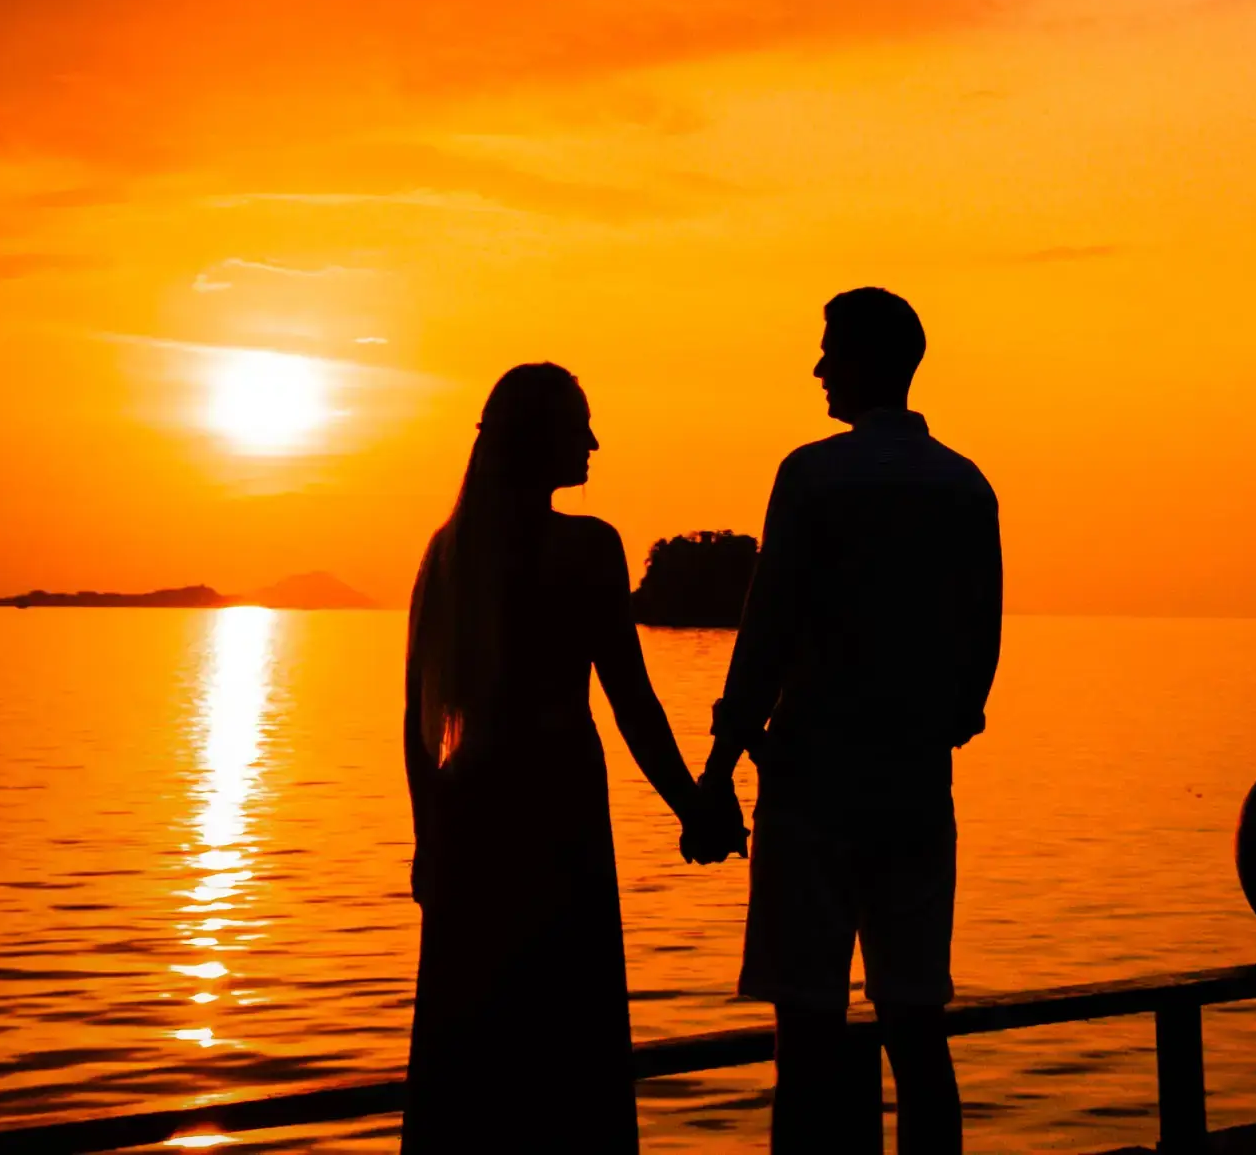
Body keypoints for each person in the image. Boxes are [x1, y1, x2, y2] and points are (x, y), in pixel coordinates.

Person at [693, 288, 1003, 1155]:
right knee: (916, 1023)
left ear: (866, 360)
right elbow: (980, 652)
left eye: (830, 349)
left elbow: (767, 632)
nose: (819, 367)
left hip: (810, 788)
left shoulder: (812, 476)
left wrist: (719, 770)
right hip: (912, 786)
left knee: (808, 1034)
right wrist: (936, 721)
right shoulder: (965, 485)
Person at [402, 362, 733, 1154]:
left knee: (473, 1039)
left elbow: (415, 727)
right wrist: (693, 805)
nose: (593, 441)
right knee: (567, 1035)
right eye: (579, 425)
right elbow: (632, 703)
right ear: (541, 438)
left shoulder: (450, 551)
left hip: (471, 810)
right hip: (557, 808)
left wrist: (428, 840)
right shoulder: (588, 546)